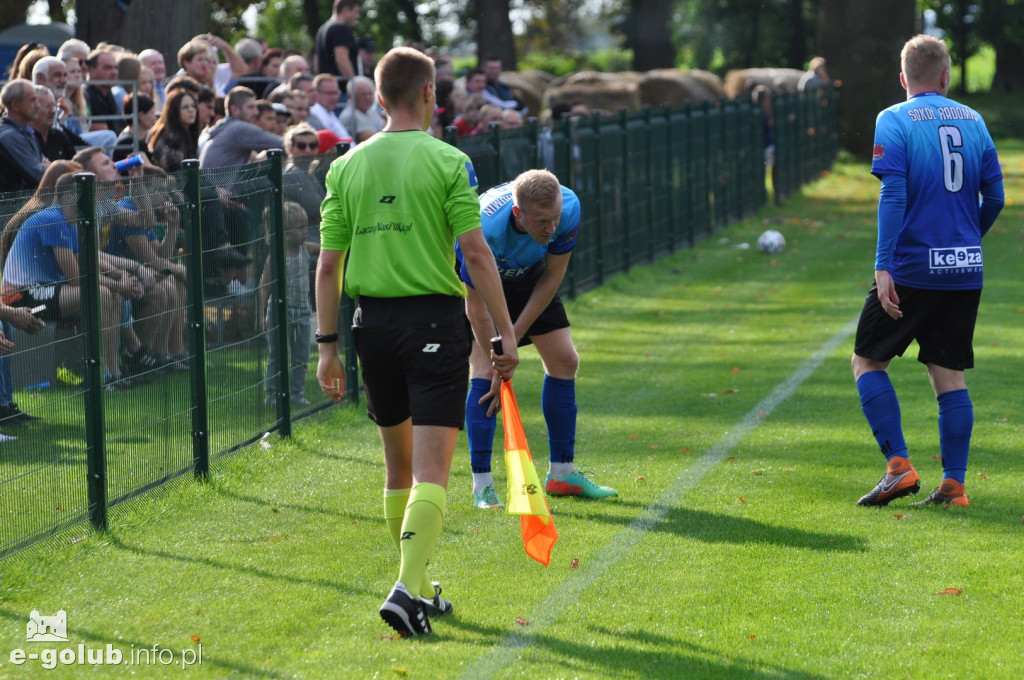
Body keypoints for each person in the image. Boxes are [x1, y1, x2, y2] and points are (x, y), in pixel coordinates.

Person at [316, 46, 519, 637]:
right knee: (432, 472)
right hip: (433, 323)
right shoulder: (450, 161)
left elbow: (329, 267)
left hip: (368, 326)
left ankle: (422, 586)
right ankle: (406, 590)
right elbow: (476, 254)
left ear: (377, 97)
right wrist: (504, 334)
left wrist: (327, 346)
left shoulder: (345, 166)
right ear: (431, 94)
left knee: (396, 471)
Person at [853, 35, 1004, 509]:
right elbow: (995, 197)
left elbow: (893, 196)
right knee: (949, 375)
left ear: (903, 79)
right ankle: (953, 485)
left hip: (914, 267)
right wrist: (966, 242)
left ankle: (898, 467)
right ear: (946, 76)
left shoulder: (893, 119)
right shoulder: (974, 119)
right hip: (964, 269)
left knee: (867, 361)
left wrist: (883, 265)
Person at [457, 169, 617, 508]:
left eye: (555, 219)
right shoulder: (481, 229)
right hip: (487, 288)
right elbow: (475, 305)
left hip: (530, 281)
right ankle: (482, 487)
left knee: (565, 360)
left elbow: (553, 274)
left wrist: (513, 336)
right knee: (485, 373)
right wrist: (499, 358)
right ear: (519, 214)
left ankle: (562, 473)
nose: (552, 229)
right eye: (543, 222)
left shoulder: (568, 206)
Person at [260, 201, 318, 407]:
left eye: (306, 226)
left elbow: (326, 249)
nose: (306, 232)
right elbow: (264, 287)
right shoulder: (275, 258)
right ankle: (272, 394)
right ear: (285, 234)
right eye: (300, 228)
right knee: (276, 355)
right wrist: (261, 316)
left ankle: (297, 393)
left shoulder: (307, 250)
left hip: (303, 311)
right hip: (279, 312)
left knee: (301, 356)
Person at [198, 86, 283, 168]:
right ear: (235, 110)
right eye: (250, 107)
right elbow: (283, 145)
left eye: (255, 107)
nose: (256, 112)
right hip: (218, 183)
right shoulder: (238, 128)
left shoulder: (226, 127)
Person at [0, 79, 46, 193]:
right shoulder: (9, 136)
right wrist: (51, 169)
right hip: (12, 209)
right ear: (15, 105)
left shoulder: (25, 132)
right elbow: (39, 175)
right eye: (32, 100)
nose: (38, 106)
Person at [314, 0, 361, 78]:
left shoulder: (322, 29)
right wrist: (354, 83)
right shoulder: (340, 28)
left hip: (325, 84)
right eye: (356, 12)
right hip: (340, 86)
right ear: (345, 10)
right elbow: (341, 59)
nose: (357, 16)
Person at [339, 75, 384, 143]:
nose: (368, 97)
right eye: (363, 94)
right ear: (350, 96)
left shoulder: (372, 111)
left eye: (370, 94)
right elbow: (374, 141)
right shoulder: (351, 115)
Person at [112, 93, 156, 162]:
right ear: (141, 115)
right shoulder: (127, 142)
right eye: (152, 113)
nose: (154, 118)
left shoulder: (142, 137)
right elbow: (148, 170)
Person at [308, 74, 352, 141]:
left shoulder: (329, 112)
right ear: (316, 93)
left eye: (336, 93)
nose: (334, 97)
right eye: (329, 93)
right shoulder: (315, 113)